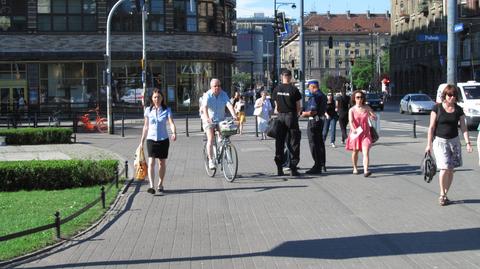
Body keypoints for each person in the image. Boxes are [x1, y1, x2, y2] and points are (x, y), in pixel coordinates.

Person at [425, 84, 473, 206]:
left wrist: (468, 143)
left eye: (454, 95)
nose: (452, 97)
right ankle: (442, 194)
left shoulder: (458, 109)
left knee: (451, 170)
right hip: (440, 142)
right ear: (445, 95)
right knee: (444, 167)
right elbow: (431, 127)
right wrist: (428, 144)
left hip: (454, 142)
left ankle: (445, 193)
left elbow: (463, 127)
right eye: (449, 95)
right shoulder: (437, 108)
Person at [140, 89, 177, 195]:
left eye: (159, 97)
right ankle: (151, 186)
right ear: (152, 98)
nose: (157, 99)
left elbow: (171, 123)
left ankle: (160, 183)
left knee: (161, 163)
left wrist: (174, 132)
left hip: (163, 139)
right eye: (155, 97)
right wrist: (141, 141)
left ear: (162, 98)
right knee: (151, 162)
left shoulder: (167, 110)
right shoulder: (148, 110)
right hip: (151, 139)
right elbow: (146, 126)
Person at [201, 78, 237, 170]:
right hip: (209, 120)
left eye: (219, 85)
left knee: (224, 137)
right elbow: (204, 108)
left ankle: (222, 151)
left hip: (221, 120)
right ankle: (210, 161)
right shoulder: (207, 95)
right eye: (215, 86)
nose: (217, 87)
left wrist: (234, 115)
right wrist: (208, 118)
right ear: (211, 87)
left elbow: (229, 104)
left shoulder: (223, 94)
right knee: (211, 138)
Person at [272, 69, 302, 176]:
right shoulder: (294, 90)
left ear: (281, 77)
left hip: (280, 117)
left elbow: (276, 107)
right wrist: (297, 115)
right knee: (294, 142)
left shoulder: (276, 89)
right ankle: (293, 168)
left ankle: (279, 168)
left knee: (279, 143)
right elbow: (299, 107)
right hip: (291, 116)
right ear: (290, 77)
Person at [345, 90, 377, 177]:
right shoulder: (351, 110)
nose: (360, 99)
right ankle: (355, 167)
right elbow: (351, 121)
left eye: (361, 97)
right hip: (356, 133)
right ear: (354, 99)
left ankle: (366, 170)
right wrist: (353, 129)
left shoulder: (366, 107)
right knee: (355, 151)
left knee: (365, 152)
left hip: (365, 133)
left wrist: (373, 116)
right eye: (357, 97)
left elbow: (374, 116)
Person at [300, 80, 327, 175]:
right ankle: (322, 164)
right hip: (320, 120)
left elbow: (312, 111)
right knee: (320, 143)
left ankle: (317, 165)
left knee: (314, 144)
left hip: (314, 122)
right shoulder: (322, 95)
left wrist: (303, 114)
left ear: (312, 86)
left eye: (309, 87)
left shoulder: (315, 96)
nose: (308, 89)